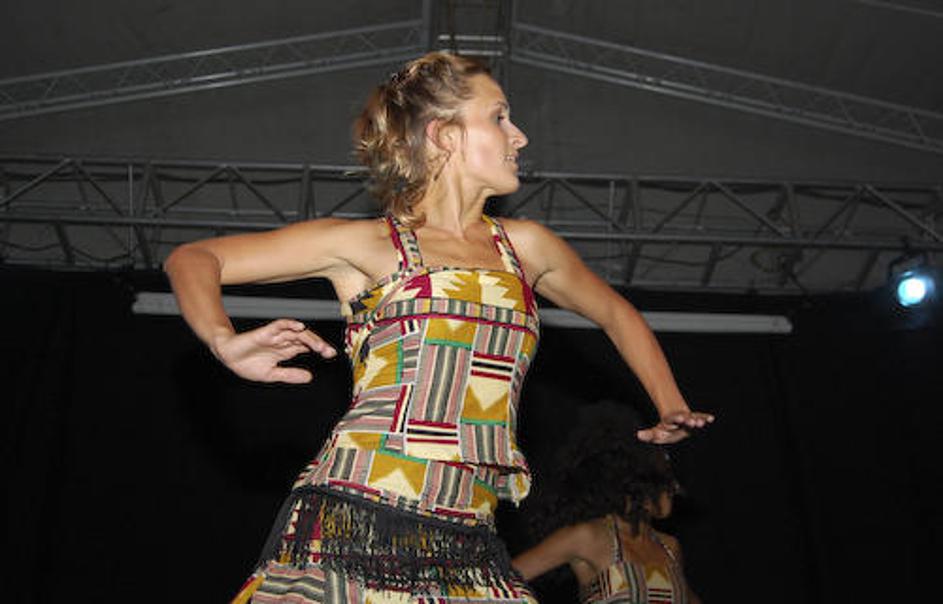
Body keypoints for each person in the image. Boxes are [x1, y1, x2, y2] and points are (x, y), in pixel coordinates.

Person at [163, 51, 713, 604]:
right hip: (360, 510)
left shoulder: (525, 248)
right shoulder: (369, 245)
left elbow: (617, 313)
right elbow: (194, 258)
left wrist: (669, 403)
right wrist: (222, 338)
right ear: (445, 135)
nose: (519, 136)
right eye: (499, 117)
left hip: (470, 536)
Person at [511, 418, 702, 604]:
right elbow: (502, 580)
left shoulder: (670, 547)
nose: (674, 489)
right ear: (638, 483)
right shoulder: (589, 536)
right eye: (666, 483)